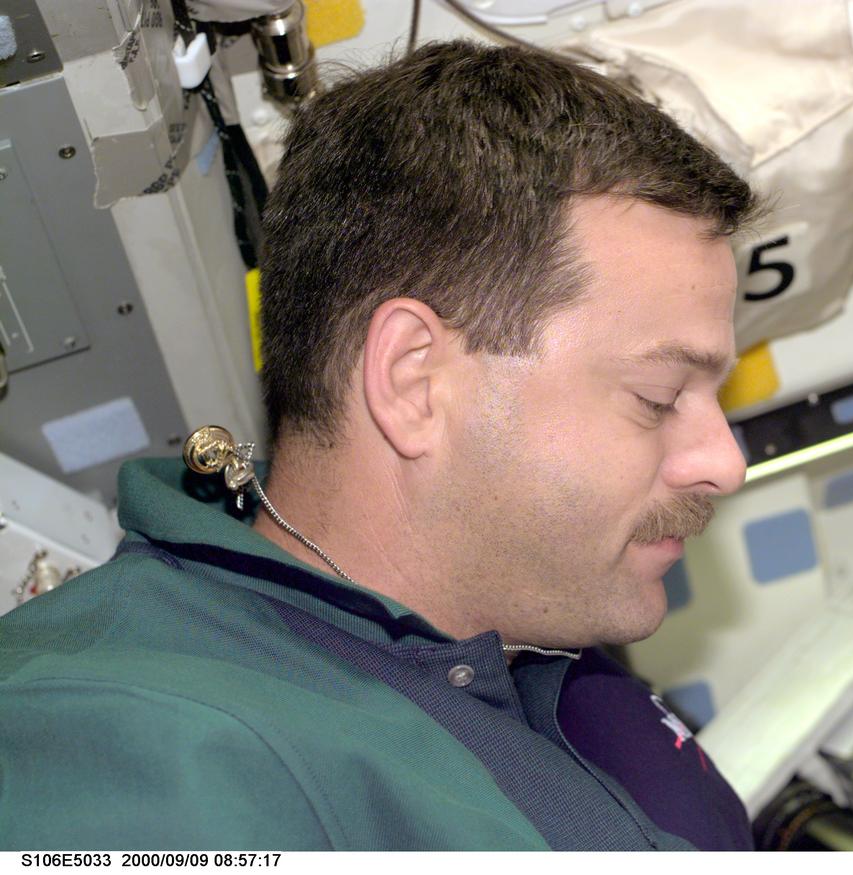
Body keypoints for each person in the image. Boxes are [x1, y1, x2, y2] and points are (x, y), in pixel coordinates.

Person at [0, 40, 760, 850]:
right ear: (412, 382)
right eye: (658, 397)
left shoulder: (531, 630)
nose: (727, 462)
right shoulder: (142, 747)